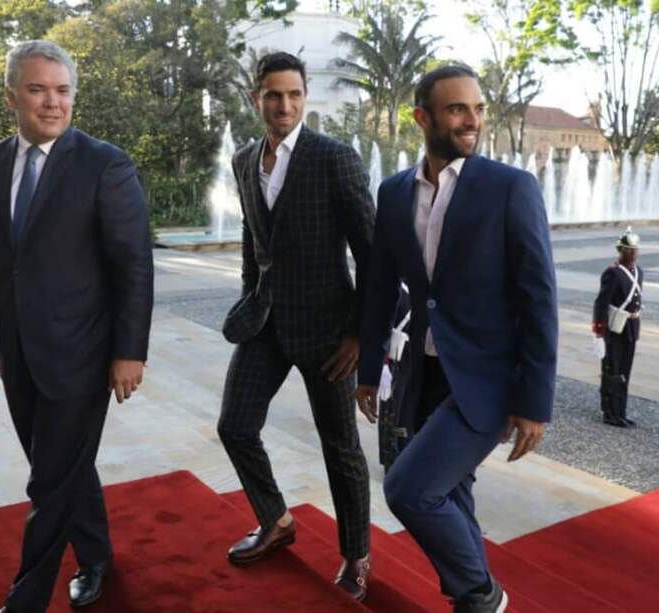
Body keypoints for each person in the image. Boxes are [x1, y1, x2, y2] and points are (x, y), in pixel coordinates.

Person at [0, 40, 153, 613]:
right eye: (38, 90)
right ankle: (96, 556)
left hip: (84, 354)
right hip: (19, 355)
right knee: (63, 469)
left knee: (47, 484)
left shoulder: (104, 163)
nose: (51, 103)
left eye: (62, 91)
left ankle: (26, 598)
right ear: (12, 94)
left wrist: (129, 351)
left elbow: (132, 264)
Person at [356, 64, 558, 613]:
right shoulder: (394, 191)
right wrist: (369, 370)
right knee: (450, 490)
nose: (473, 121)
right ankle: (477, 597)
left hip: (487, 380)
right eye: (457, 109)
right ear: (423, 117)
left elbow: (539, 298)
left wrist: (534, 402)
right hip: (424, 374)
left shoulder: (511, 187)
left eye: (478, 108)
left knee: (408, 489)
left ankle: (479, 595)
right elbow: (378, 287)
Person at [217, 51, 375, 601]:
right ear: (255, 97)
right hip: (265, 322)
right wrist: (246, 299)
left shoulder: (335, 158)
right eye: (273, 94)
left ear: (305, 97)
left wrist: (360, 335)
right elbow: (253, 241)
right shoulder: (242, 160)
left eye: (294, 95)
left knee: (341, 447)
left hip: (330, 333)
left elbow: (373, 255)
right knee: (235, 426)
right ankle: (277, 521)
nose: (284, 105)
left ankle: (357, 555)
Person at [592, 228, 643, 428]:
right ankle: (610, 412)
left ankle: (621, 410)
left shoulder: (639, 272)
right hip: (614, 330)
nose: (633, 253)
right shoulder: (612, 273)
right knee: (612, 371)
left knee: (625, 372)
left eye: (635, 250)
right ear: (620, 250)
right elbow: (601, 303)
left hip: (631, 326)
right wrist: (598, 333)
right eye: (629, 250)